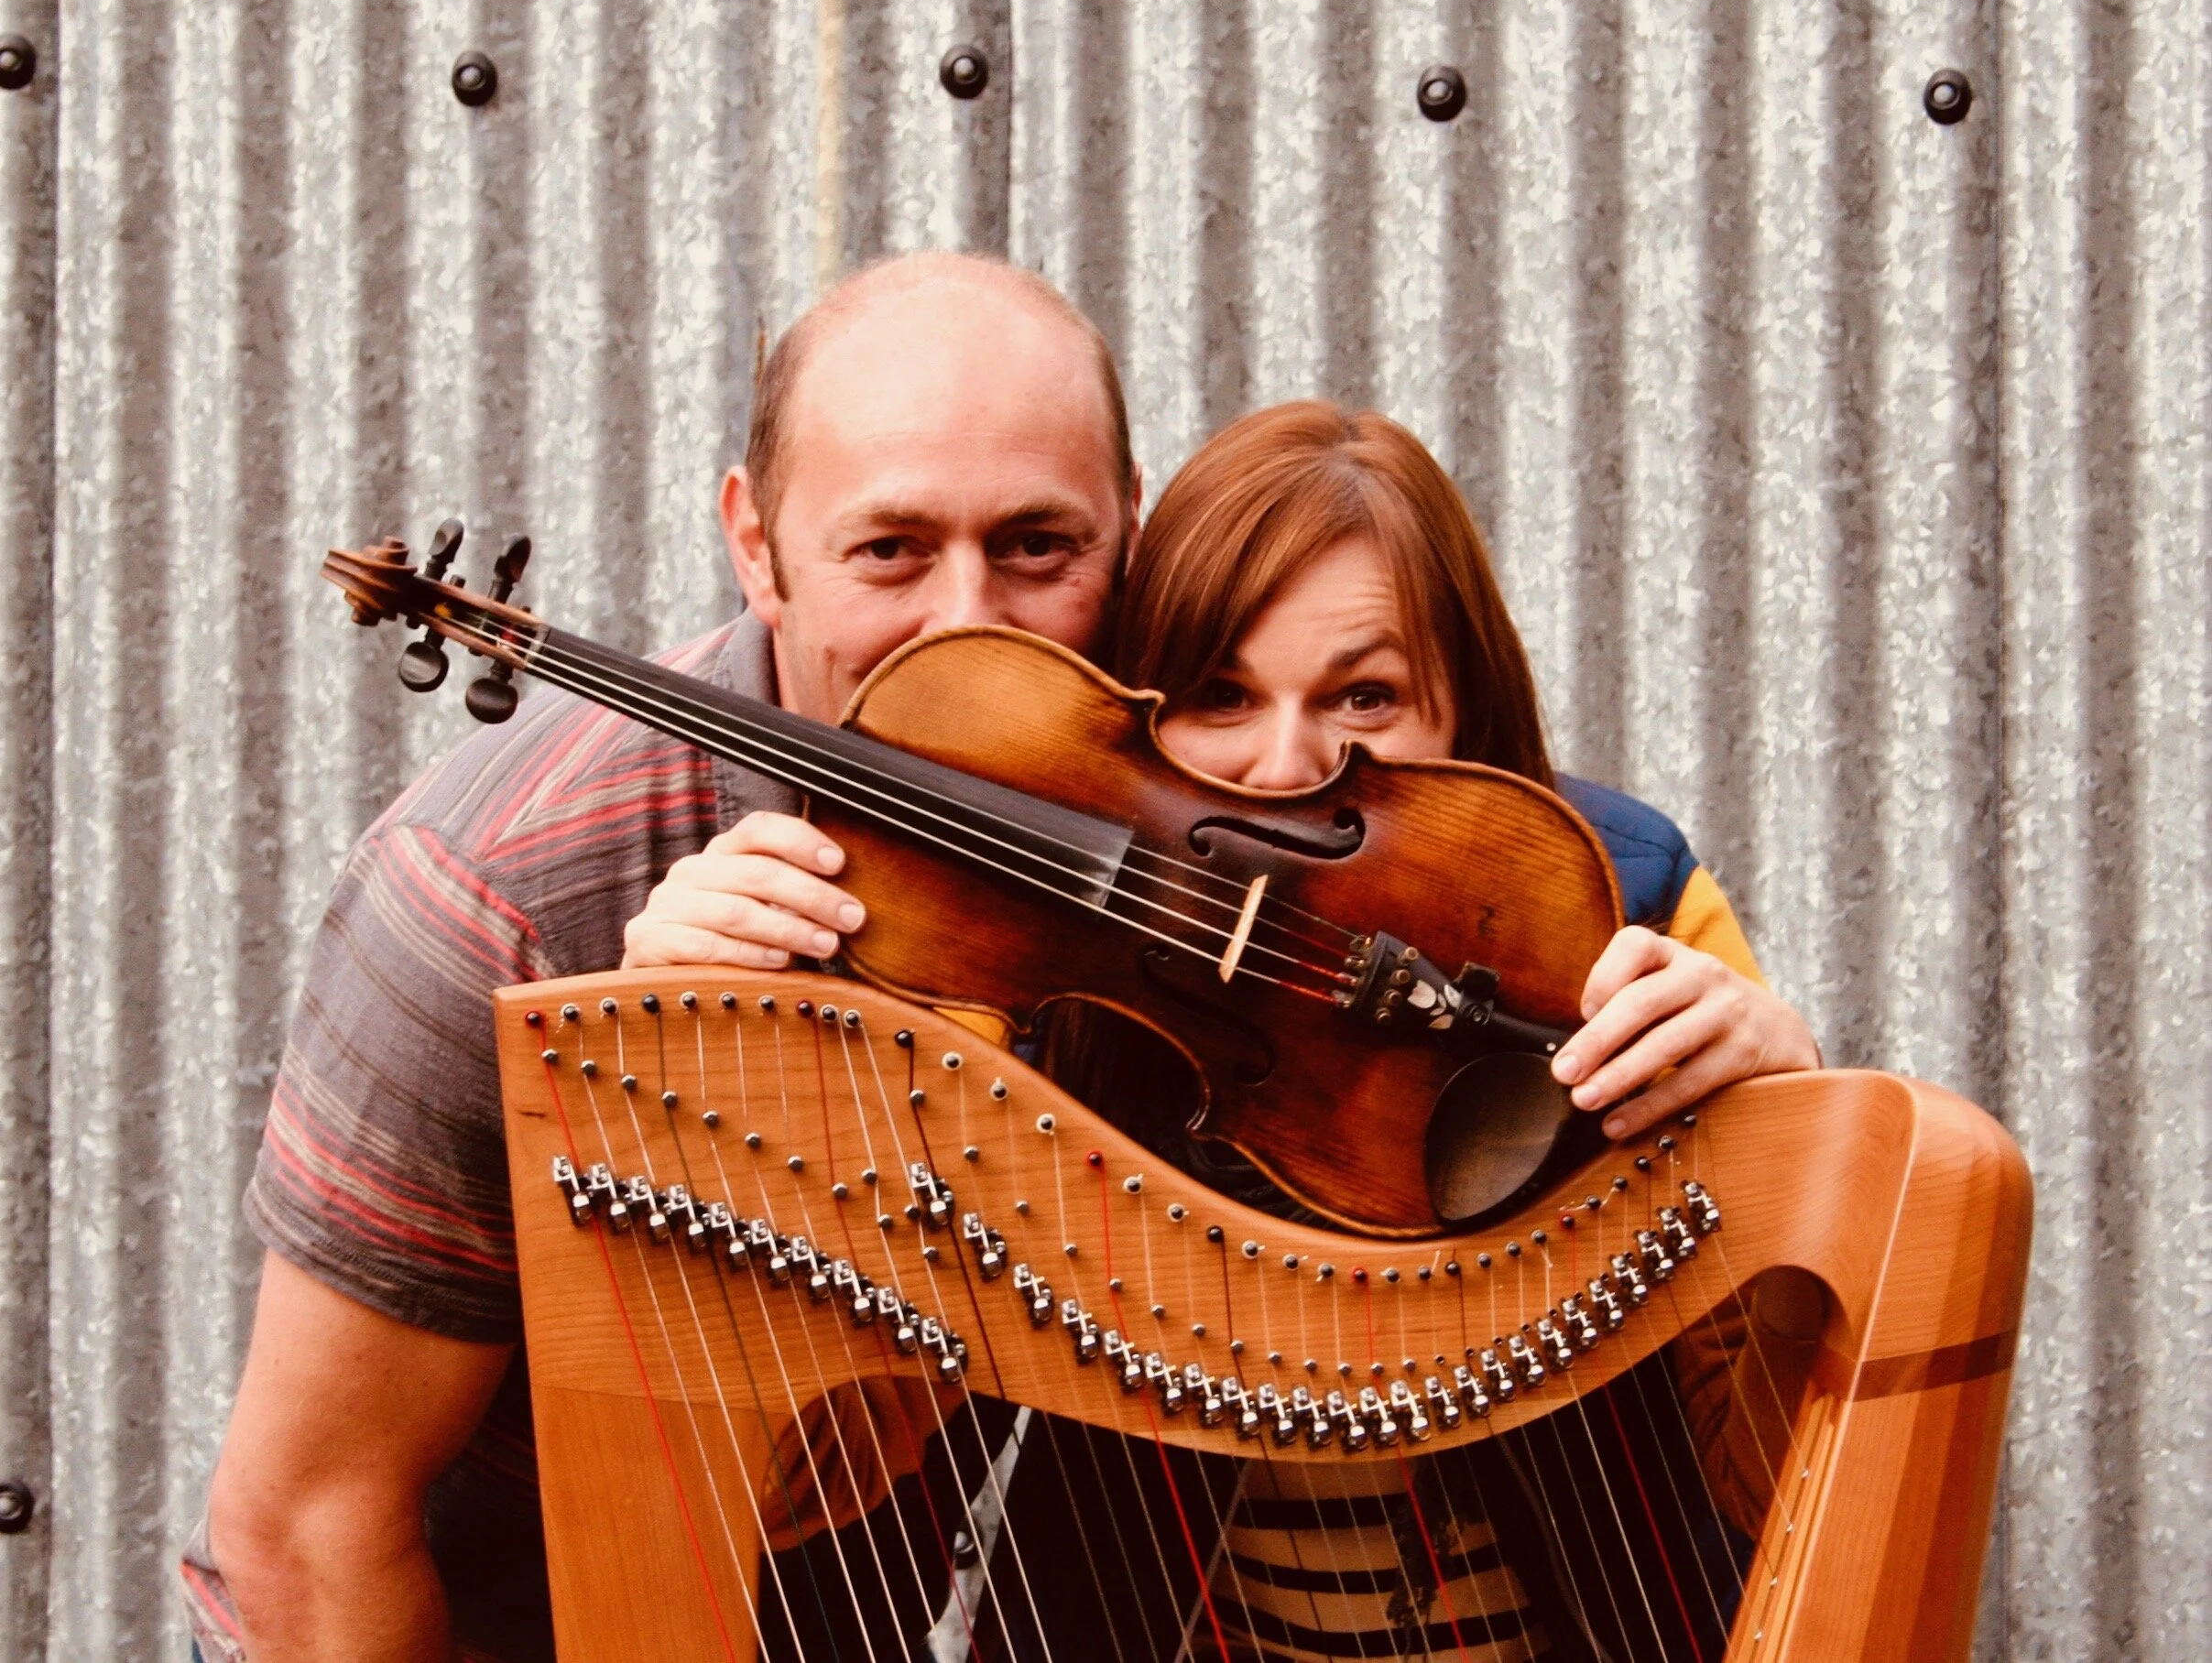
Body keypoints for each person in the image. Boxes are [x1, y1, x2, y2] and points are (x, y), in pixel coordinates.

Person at [625, 399, 1823, 1660]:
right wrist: (699, 1068)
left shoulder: (1626, 907)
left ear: (1464, 711)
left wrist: (1791, 1138)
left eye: (1364, 696)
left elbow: (1779, 1476)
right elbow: (801, 1491)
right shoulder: (1018, 974)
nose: (1287, 764)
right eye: (1221, 694)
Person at [186, 250, 1143, 1663]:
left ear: (1130, 531)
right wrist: (638, 1090)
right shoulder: (498, 898)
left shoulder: (1163, 835)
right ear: (755, 546)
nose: (965, 624)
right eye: (889, 550)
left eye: (1037, 547)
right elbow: (308, 1528)